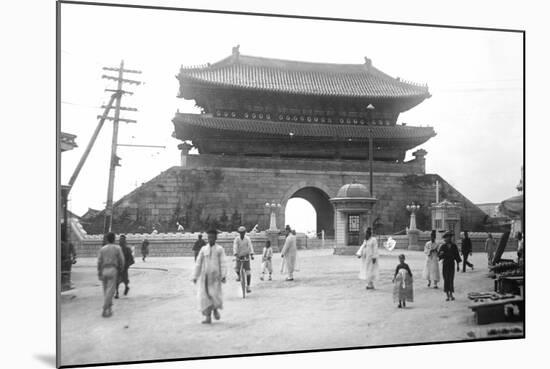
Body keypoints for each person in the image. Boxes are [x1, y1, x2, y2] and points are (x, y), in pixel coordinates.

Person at [192, 229, 227, 324]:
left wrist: (223, 275)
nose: (210, 239)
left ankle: (215, 309)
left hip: (215, 277)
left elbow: (223, 263)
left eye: (212, 237)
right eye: (209, 237)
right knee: (204, 296)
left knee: (214, 295)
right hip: (205, 277)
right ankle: (208, 317)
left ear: (216, 238)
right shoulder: (204, 249)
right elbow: (198, 263)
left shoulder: (220, 249)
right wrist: (195, 276)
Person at [97, 232, 125, 318]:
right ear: (114, 239)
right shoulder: (117, 248)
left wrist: (99, 272)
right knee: (111, 291)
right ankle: (105, 307)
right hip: (113, 269)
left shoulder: (103, 249)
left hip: (104, 269)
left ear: (107, 239)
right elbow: (121, 260)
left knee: (106, 290)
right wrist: (121, 269)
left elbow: (99, 261)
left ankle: (109, 309)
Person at [438, 231, 461, 301]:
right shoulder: (443, 246)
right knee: (446, 279)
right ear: (445, 238)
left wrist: (458, 265)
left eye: (450, 237)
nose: (449, 238)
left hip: (451, 264)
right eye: (447, 237)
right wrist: (440, 254)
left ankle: (451, 294)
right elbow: (439, 256)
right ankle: (447, 295)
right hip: (445, 264)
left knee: (451, 279)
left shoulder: (454, 246)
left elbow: (457, 256)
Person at [233, 226, 254, 293]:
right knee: (236, 269)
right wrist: (236, 254)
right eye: (241, 232)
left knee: (248, 272)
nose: (242, 233)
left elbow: (250, 246)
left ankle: (248, 286)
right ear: (239, 232)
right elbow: (235, 246)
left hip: (246, 256)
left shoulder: (247, 239)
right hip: (239, 256)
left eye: (243, 232)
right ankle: (239, 276)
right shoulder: (237, 239)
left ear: (245, 232)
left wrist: (251, 254)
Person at [61, 224, 77, 291]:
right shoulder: (68, 243)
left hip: (62, 260)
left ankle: (63, 285)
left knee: (62, 272)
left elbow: (73, 252)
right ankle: (66, 285)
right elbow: (73, 252)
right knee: (66, 273)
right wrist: (74, 258)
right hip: (67, 260)